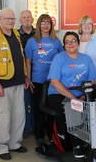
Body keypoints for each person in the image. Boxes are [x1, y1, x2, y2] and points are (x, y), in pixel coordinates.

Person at [0, 8, 30, 160]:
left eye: (12, 18)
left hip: (18, 82)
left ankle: (15, 143)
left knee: (19, 115)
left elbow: (21, 57)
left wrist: (25, 77)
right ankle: (2, 147)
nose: (10, 21)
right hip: (2, 84)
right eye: (7, 18)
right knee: (3, 117)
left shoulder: (16, 33)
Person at [47, 31, 96, 159]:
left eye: (73, 41)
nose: (70, 44)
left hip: (81, 96)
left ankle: (91, 142)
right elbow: (54, 82)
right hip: (57, 95)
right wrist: (74, 98)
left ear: (78, 43)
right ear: (64, 45)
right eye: (67, 42)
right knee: (73, 107)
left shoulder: (86, 59)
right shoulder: (59, 58)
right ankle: (77, 146)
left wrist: (85, 96)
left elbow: (92, 80)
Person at [24, 14, 63, 157]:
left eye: (48, 22)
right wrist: (29, 78)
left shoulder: (56, 42)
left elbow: (62, 60)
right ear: (39, 25)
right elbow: (28, 61)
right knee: (38, 110)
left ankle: (52, 136)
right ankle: (39, 137)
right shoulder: (32, 42)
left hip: (53, 82)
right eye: (43, 22)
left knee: (51, 109)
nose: (46, 25)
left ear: (51, 26)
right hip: (38, 81)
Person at [77, 15, 96, 96]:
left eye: (89, 23)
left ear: (92, 26)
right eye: (84, 23)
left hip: (94, 83)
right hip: (76, 82)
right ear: (80, 26)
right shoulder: (74, 41)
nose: (87, 26)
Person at [18, 10, 36, 137]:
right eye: (24, 17)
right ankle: (27, 128)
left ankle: (36, 127)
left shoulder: (38, 34)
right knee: (24, 102)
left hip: (38, 72)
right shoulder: (15, 35)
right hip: (22, 73)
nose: (26, 19)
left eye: (28, 17)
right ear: (20, 20)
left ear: (32, 19)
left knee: (37, 102)